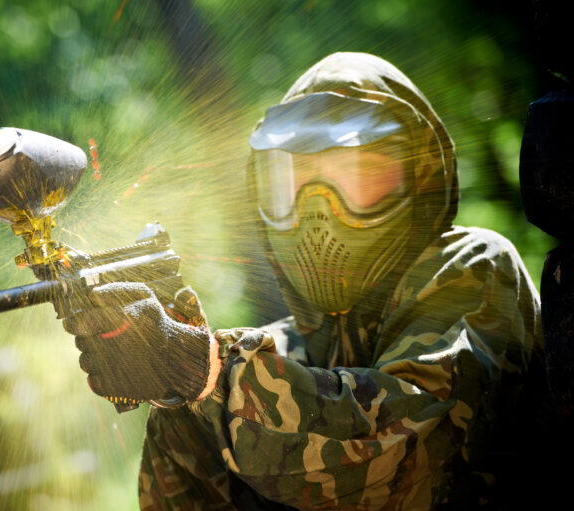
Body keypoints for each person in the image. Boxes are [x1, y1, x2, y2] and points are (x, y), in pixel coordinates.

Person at [63, 52, 547, 510]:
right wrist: (177, 386)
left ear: (419, 178)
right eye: (293, 186)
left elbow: (408, 452)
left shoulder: (472, 268)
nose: (319, 211)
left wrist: (205, 371)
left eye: (354, 176)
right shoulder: (288, 349)